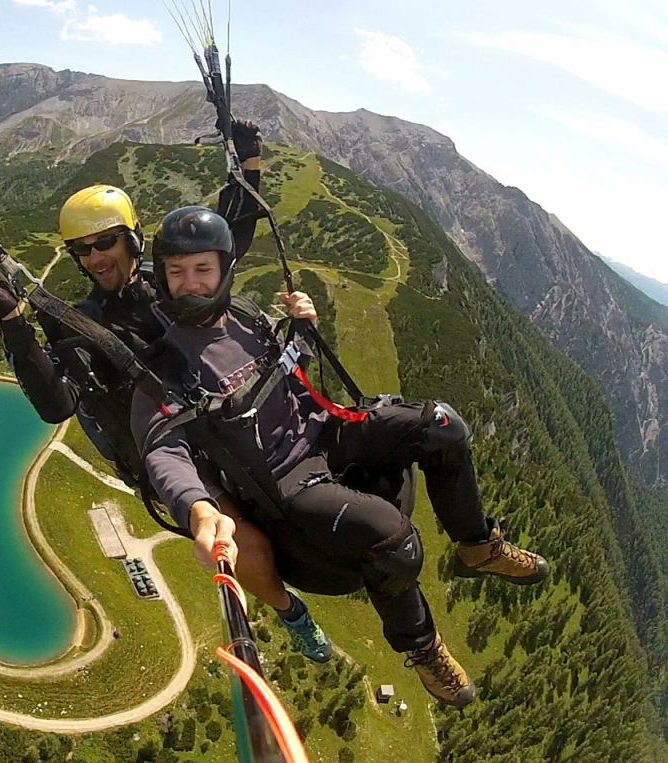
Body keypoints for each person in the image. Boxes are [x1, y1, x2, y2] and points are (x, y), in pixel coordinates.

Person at [131, 206, 550, 708]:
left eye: (203, 270)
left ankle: (478, 546)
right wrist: (197, 507)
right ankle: (422, 648)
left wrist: (302, 331)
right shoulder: (164, 366)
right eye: (176, 272)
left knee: (441, 427)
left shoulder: (244, 316)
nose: (190, 284)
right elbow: (163, 448)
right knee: (393, 541)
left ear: (224, 270)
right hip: (286, 482)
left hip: (326, 433)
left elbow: (290, 379)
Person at [0, 123, 332, 663]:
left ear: (132, 238)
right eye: (80, 251)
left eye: (104, 242)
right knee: (249, 548)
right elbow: (56, 403)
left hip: (225, 421)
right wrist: (12, 317)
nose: (94, 258)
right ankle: (289, 611)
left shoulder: (170, 280)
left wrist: (249, 164)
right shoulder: (81, 324)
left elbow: (230, 242)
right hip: (172, 455)